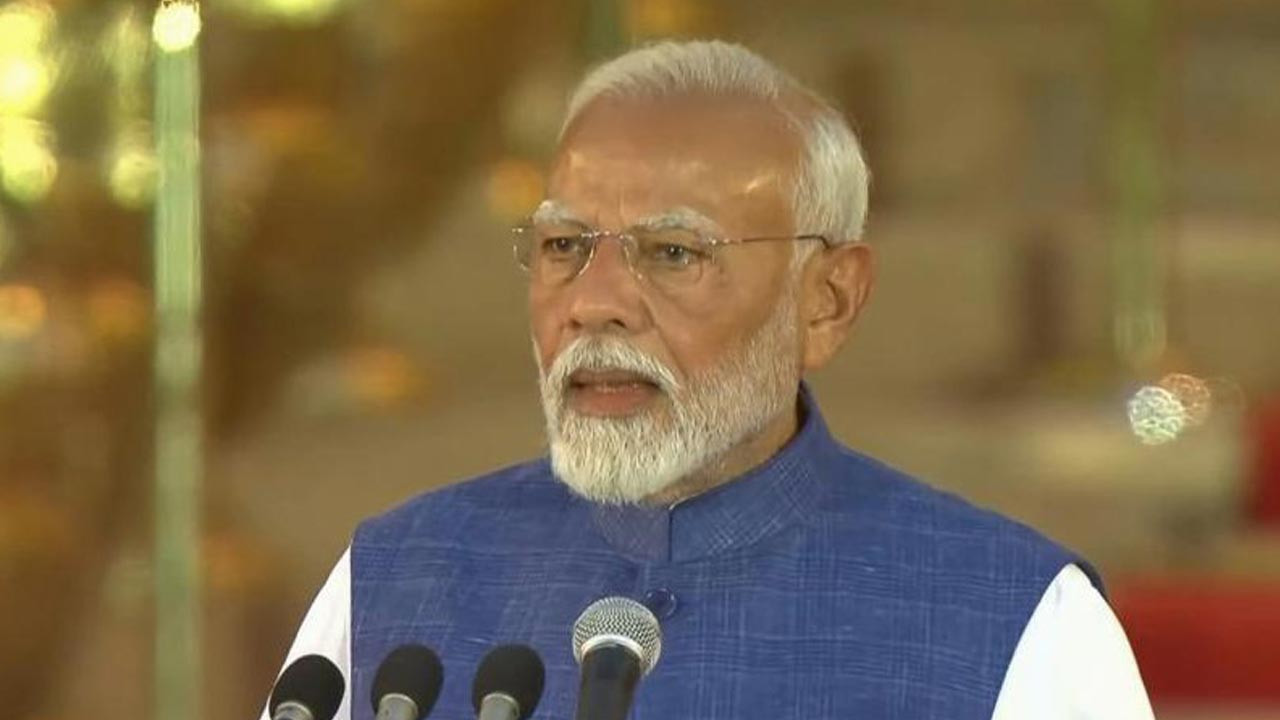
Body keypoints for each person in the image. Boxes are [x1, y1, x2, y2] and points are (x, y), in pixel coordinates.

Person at [262, 40, 1153, 720]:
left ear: (828, 301)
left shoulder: (1009, 619)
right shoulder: (402, 576)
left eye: (673, 252)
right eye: (565, 245)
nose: (594, 304)